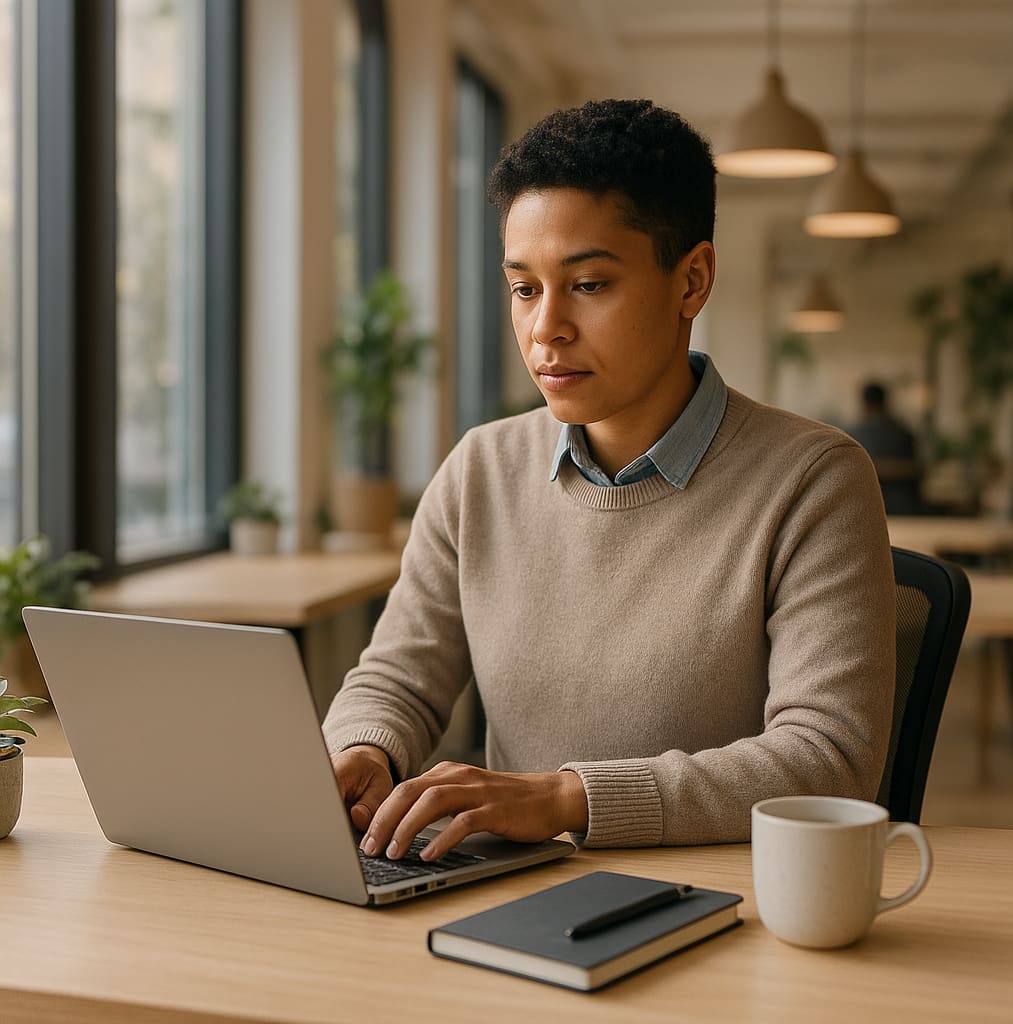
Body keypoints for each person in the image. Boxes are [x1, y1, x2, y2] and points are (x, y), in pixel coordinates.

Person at [323, 99, 895, 863]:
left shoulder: (814, 479)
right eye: (525, 289)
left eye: (588, 284)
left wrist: (565, 798)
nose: (545, 329)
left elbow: (829, 758)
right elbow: (397, 678)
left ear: (692, 281)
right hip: (521, 896)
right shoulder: (481, 469)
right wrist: (364, 750)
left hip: (728, 901)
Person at [846, 382, 922, 515]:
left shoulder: (853, 435)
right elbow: (917, 469)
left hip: (865, 507)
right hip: (903, 506)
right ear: (885, 402)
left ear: (865, 403)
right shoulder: (902, 432)